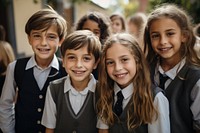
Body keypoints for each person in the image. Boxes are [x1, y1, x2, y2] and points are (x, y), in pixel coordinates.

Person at [0, 6, 67, 133]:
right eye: (37, 36)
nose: (43, 43)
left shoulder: (67, 70)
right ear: (29, 39)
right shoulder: (15, 67)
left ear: (60, 41)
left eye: (51, 37)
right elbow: (5, 105)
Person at [96, 33, 170, 133]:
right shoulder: (105, 93)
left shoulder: (155, 99)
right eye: (110, 62)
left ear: (137, 61)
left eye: (124, 60)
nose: (118, 68)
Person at [144, 3, 200, 133]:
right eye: (155, 35)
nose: (163, 41)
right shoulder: (144, 71)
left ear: (184, 36)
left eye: (170, 33)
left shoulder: (195, 79)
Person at [41, 30, 101, 133]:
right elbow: (50, 128)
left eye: (86, 58)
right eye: (72, 57)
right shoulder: (54, 89)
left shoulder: (102, 91)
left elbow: (103, 130)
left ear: (95, 63)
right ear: (63, 61)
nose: (78, 65)